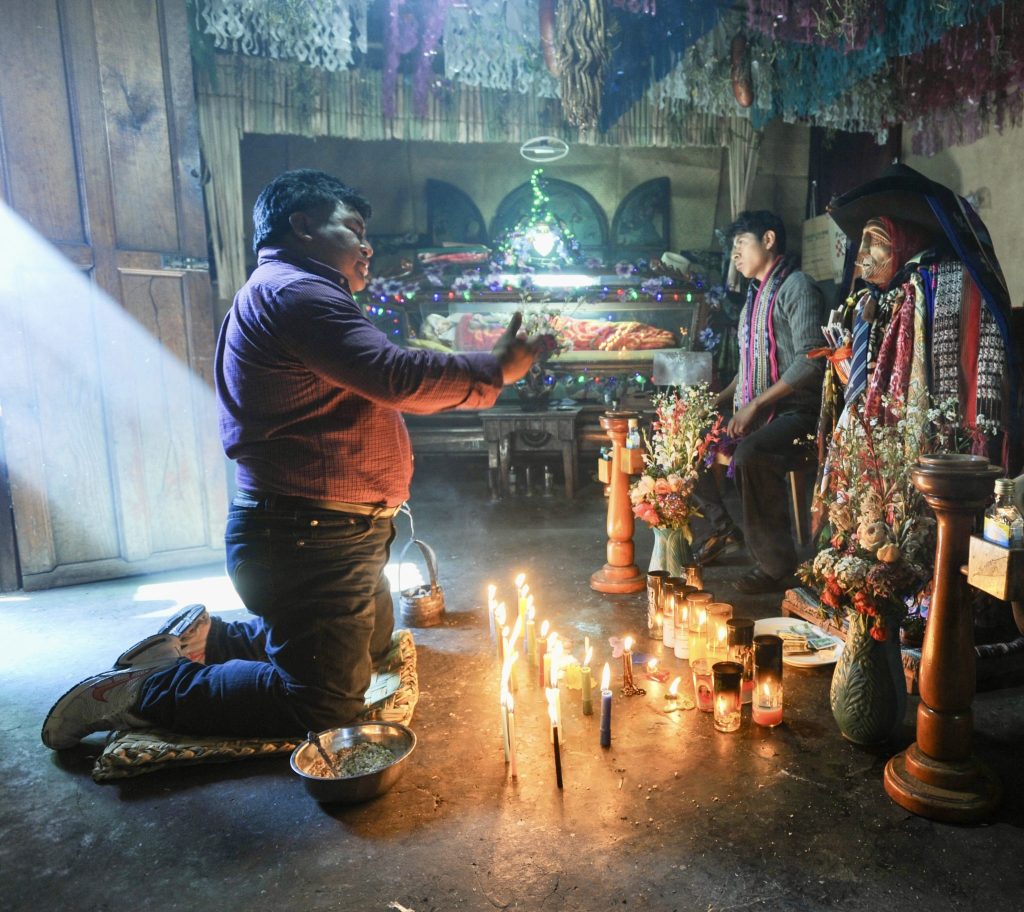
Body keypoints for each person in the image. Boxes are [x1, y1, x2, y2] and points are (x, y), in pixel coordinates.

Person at [42, 169, 541, 749]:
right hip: (309, 539)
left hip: (326, 533)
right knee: (324, 707)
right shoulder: (295, 293)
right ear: (301, 226)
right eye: (351, 228)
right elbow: (393, 375)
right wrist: (494, 369)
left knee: (375, 648)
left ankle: (213, 640)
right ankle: (145, 691)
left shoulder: (293, 292)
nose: (366, 245)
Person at [693, 210, 826, 594]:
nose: (735, 254)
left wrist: (752, 407)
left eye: (741, 244)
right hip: (761, 408)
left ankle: (776, 566)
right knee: (690, 438)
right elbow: (748, 371)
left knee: (749, 454)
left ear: (768, 240)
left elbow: (810, 360)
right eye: (732, 247)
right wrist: (715, 402)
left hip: (797, 412)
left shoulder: (797, 287)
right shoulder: (753, 300)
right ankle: (723, 528)